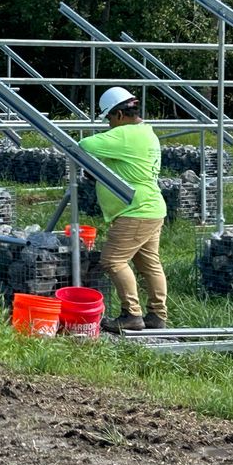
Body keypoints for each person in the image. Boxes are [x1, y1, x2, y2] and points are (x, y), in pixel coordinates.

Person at [78, 86, 168, 333]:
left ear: (118, 115)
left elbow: (84, 144)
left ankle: (132, 314)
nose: (109, 125)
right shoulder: (145, 133)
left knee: (113, 260)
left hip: (136, 211)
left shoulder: (126, 134)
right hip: (151, 207)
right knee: (149, 264)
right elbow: (126, 163)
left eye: (108, 118)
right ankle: (157, 315)